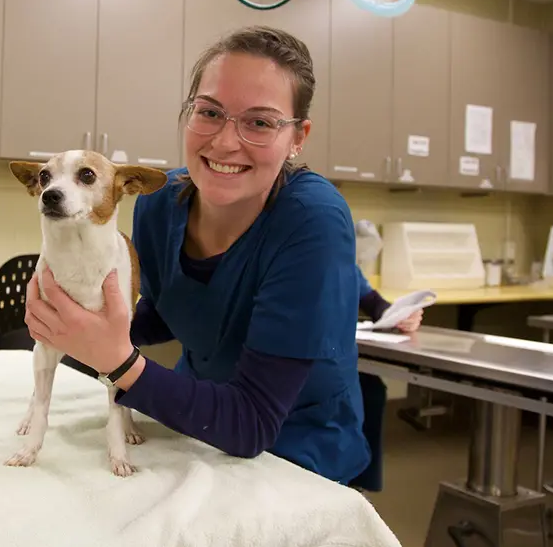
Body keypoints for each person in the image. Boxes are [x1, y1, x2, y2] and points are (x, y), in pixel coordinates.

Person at [22, 26, 371, 485]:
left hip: (293, 449)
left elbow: (253, 423)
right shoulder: (159, 202)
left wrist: (119, 360)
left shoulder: (312, 221)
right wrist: (73, 320)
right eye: (209, 112)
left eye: (260, 122)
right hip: (192, 424)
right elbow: (177, 311)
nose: (225, 142)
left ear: (298, 137)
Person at [352, 267, 422, 491]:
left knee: (370, 389)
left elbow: (373, 302)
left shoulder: (336, 253)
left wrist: (400, 316)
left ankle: (358, 491)